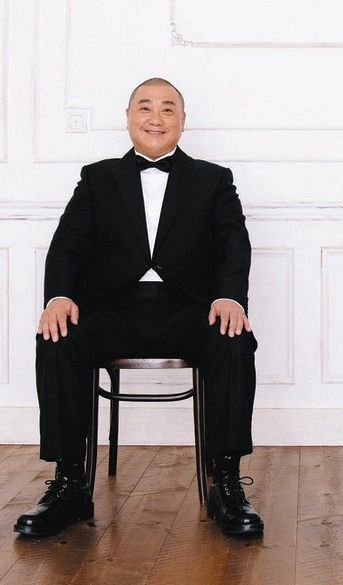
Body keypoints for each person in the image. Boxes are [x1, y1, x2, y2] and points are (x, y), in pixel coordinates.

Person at [14, 78, 263, 537]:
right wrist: (59, 297)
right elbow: (67, 243)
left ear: (183, 121)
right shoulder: (97, 178)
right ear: (128, 118)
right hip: (113, 308)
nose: (155, 118)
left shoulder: (213, 179)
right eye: (145, 107)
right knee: (57, 336)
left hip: (188, 307)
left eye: (168, 109)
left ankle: (226, 482)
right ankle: (68, 484)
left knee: (234, 338)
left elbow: (234, 241)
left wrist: (230, 296)